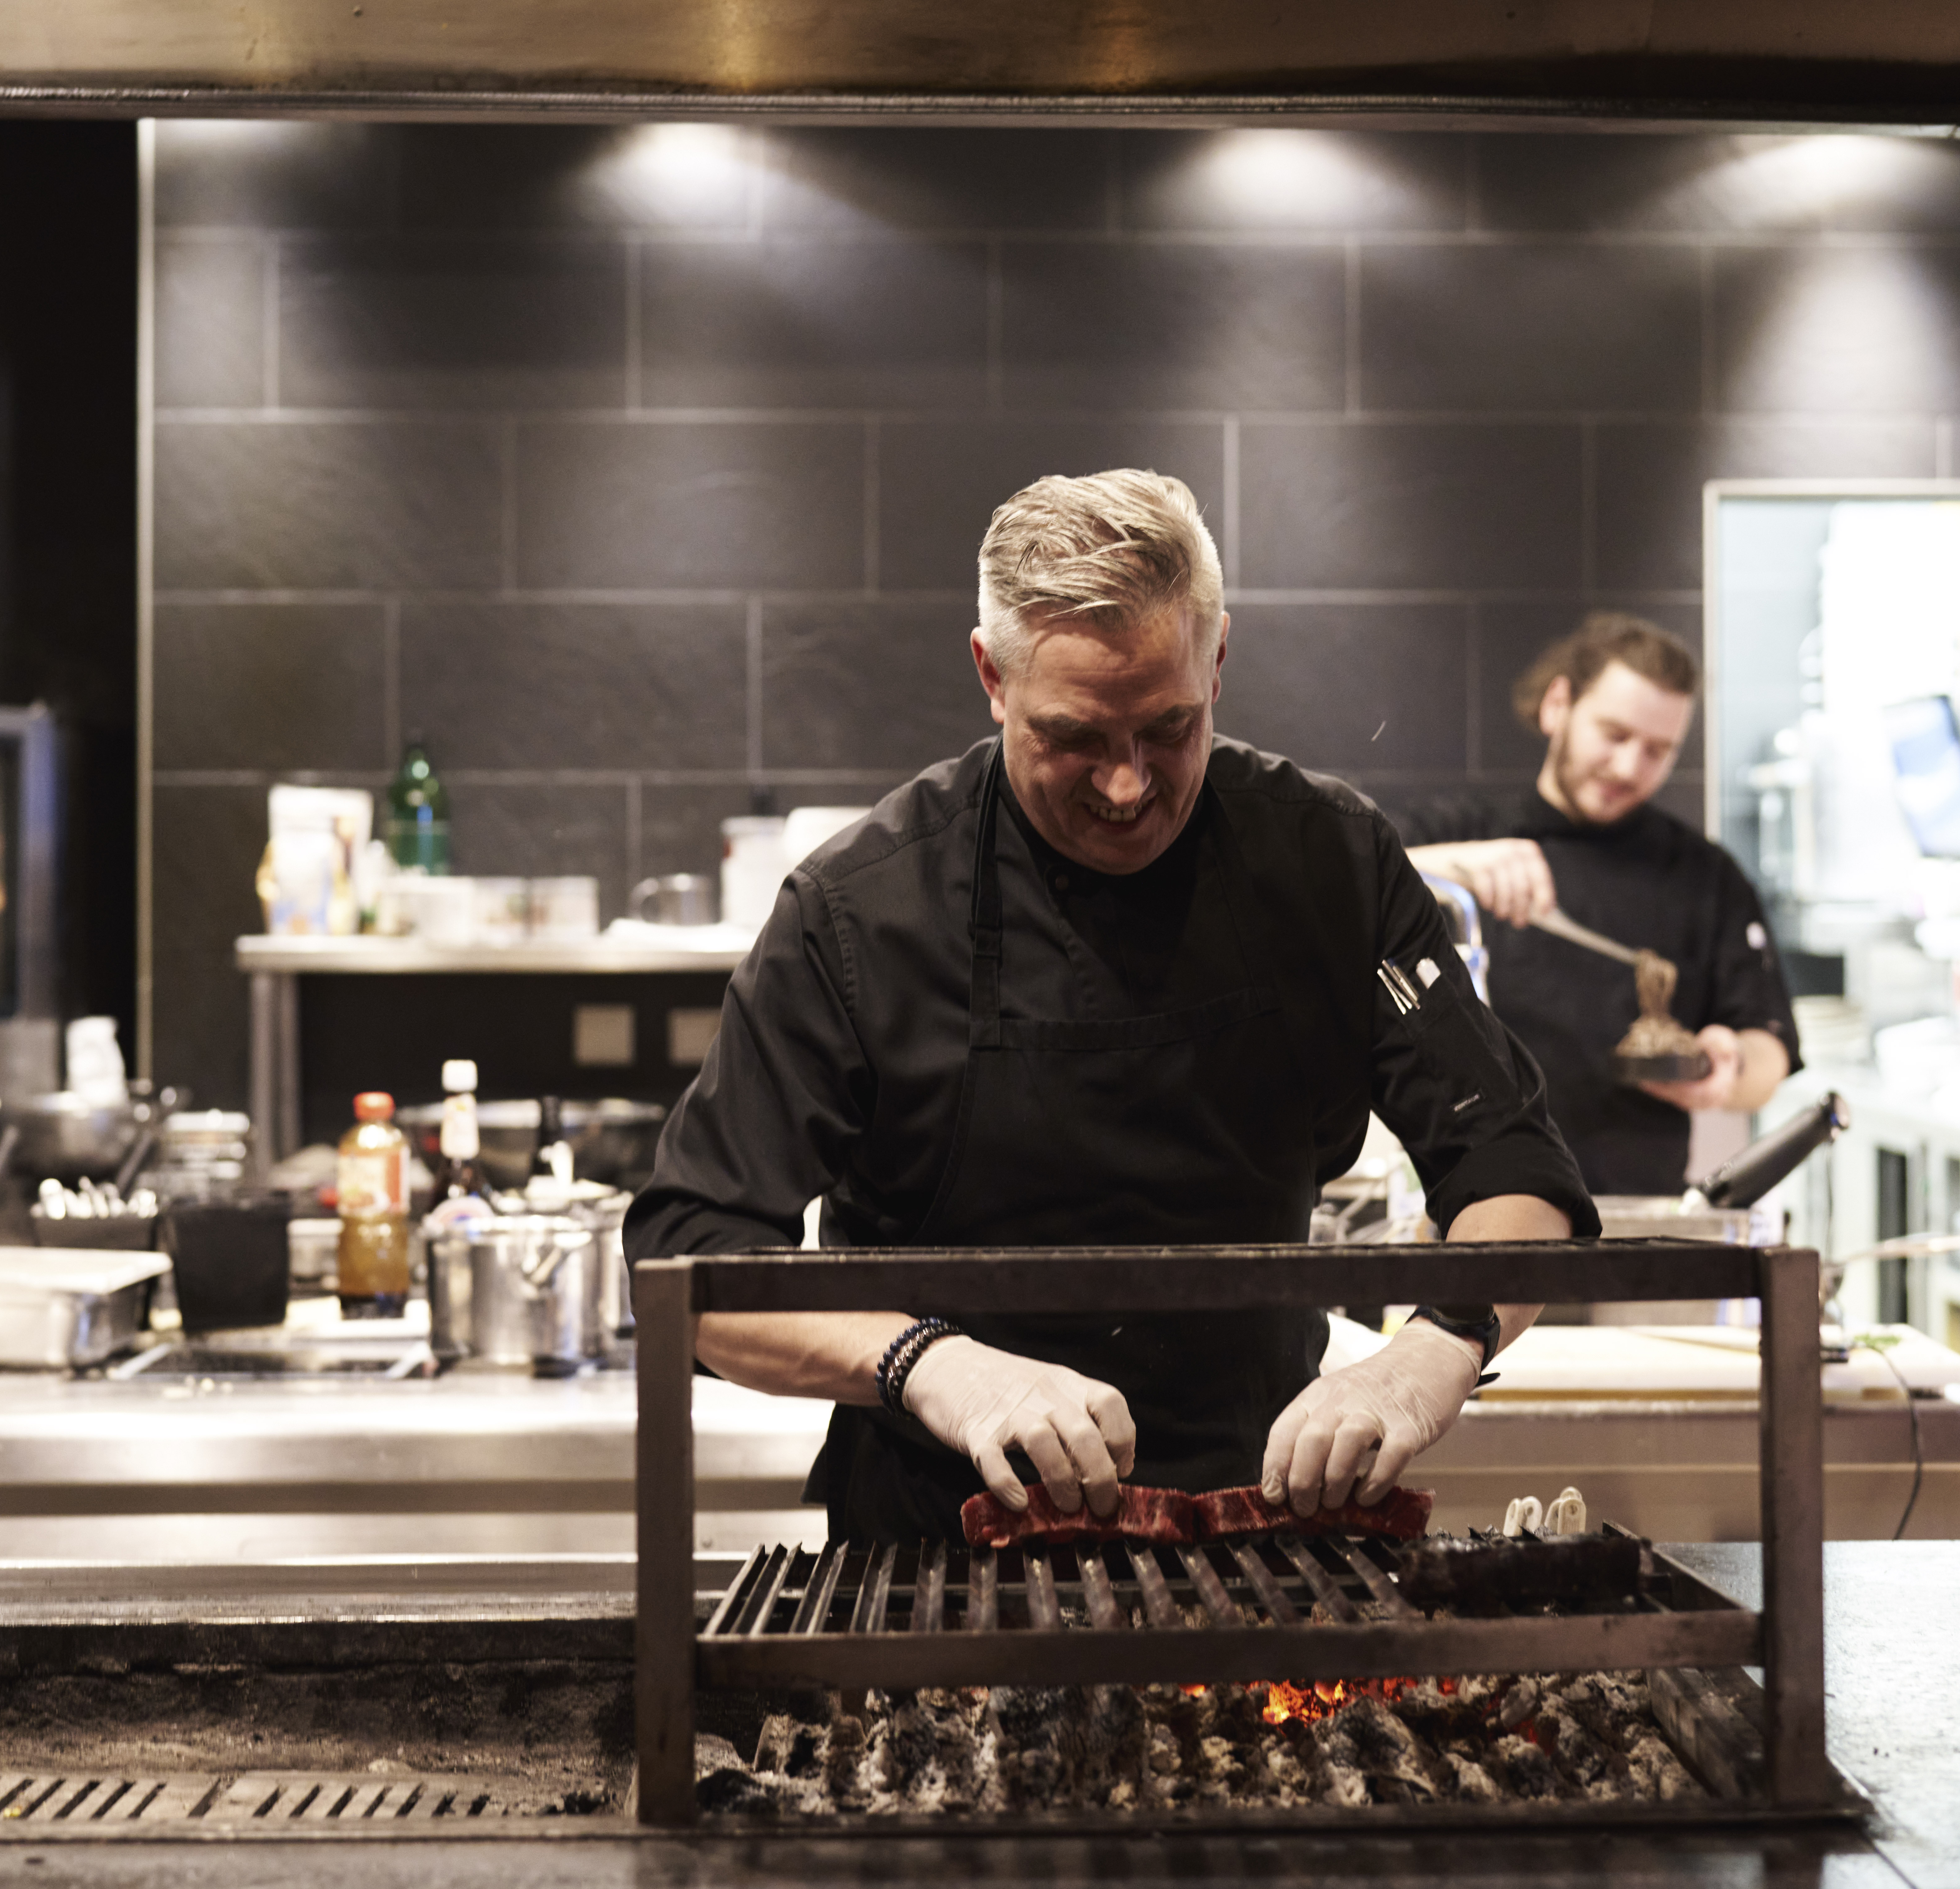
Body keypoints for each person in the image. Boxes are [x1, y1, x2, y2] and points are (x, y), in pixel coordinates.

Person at [624, 470, 1597, 1544]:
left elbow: (1516, 1170)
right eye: (1076, 737)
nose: (1129, 784)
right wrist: (934, 1366)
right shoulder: (862, 911)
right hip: (938, 1551)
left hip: (1266, 1532)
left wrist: (1432, 1355)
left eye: (1168, 728)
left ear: (1217, 658)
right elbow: (689, 1262)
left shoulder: (1331, 863)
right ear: (991, 678)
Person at [1402, 613, 1798, 1199]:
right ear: (1557, 705)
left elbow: (1770, 1047)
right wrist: (1452, 868)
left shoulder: (1702, 875)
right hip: (1463, 1206)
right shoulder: (1462, 832)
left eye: (1658, 751)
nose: (1629, 768)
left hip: (1631, 1217)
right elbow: (1343, 877)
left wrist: (1728, 1067)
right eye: (1613, 735)